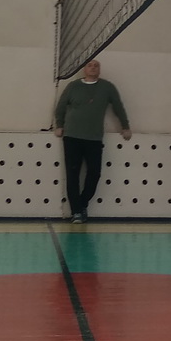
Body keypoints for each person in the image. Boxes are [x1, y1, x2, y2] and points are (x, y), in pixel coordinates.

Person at [54, 58, 131, 223]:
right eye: (90, 65)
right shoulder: (73, 86)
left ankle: (82, 204)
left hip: (94, 138)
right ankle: (76, 212)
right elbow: (60, 106)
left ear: (99, 69)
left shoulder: (107, 87)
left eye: (96, 65)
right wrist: (59, 125)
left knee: (95, 173)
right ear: (84, 69)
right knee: (72, 175)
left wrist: (125, 126)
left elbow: (118, 107)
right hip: (72, 137)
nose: (93, 67)